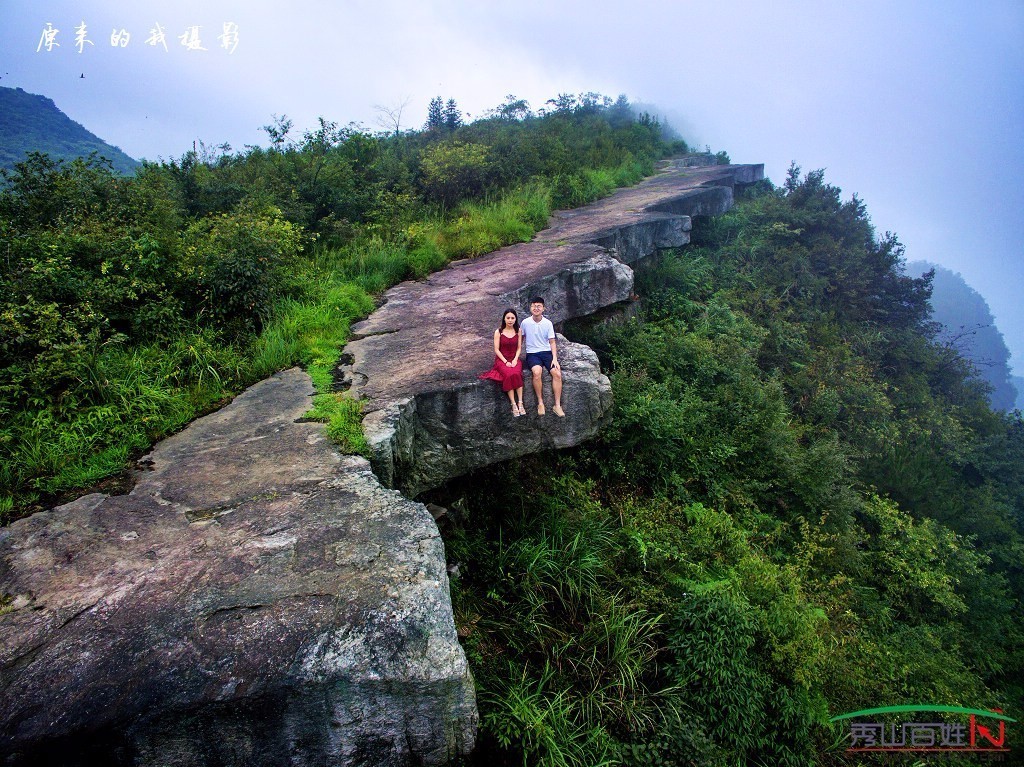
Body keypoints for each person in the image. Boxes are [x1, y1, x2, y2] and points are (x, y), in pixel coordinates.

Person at [478, 308, 526, 417]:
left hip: (514, 359)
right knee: (509, 374)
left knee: (517, 373)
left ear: (515, 319)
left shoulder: (518, 331)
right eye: (508, 318)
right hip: (502, 360)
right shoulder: (498, 332)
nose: (510, 320)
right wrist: (505, 362)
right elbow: (496, 349)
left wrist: (514, 360)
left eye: (512, 318)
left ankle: (520, 403)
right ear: (504, 319)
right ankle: (513, 404)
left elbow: (519, 348)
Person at [521, 296, 564, 417]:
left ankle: (557, 405)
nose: (536, 308)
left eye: (539, 306)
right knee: (536, 372)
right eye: (534, 305)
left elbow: (552, 342)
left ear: (543, 308)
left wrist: (555, 359)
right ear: (530, 308)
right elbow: (521, 339)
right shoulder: (525, 322)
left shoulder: (548, 323)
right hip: (532, 353)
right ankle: (540, 403)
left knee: (557, 373)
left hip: (546, 352)